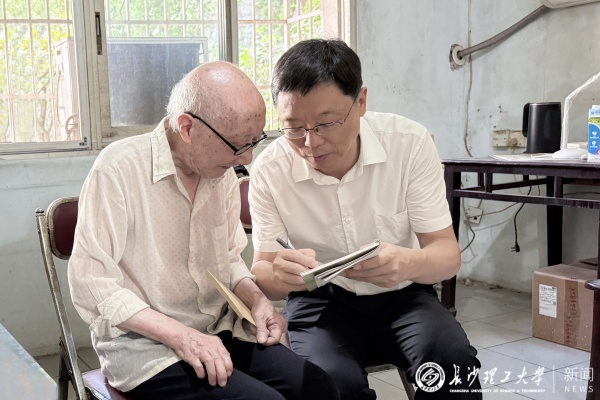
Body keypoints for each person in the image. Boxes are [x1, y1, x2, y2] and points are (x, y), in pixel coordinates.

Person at [68, 61, 339, 400]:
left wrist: (257, 301)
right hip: (147, 347)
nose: (248, 158)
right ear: (187, 127)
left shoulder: (220, 173)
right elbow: (91, 283)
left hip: (219, 328)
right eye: (238, 145)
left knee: (318, 388)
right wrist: (182, 337)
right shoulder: (119, 169)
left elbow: (228, 259)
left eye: (254, 142)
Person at [249, 39, 482, 399]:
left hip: (404, 294)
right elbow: (262, 270)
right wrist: (279, 277)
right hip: (319, 301)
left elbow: (447, 255)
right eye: (293, 127)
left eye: (326, 123)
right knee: (328, 384)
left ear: (360, 102)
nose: (310, 143)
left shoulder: (408, 144)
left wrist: (408, 263)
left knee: (453, 365)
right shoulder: (270, 169)